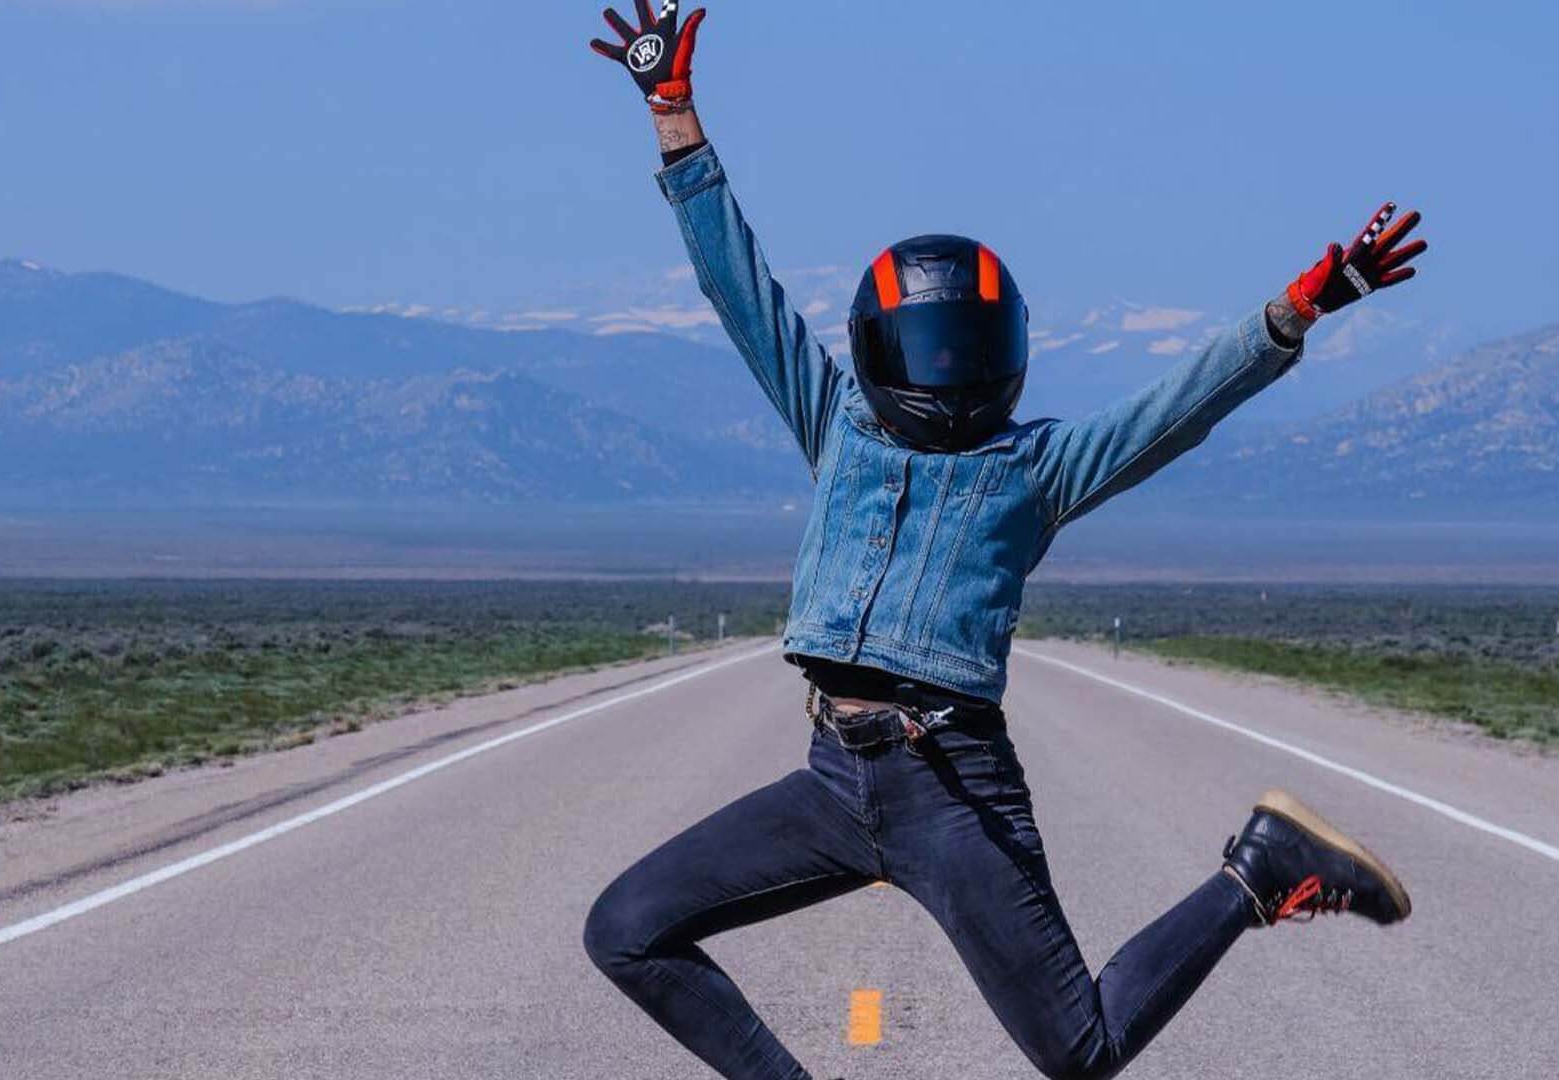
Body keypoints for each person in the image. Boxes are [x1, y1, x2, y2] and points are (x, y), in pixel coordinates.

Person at [582, 6, 1426, 1079]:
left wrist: (1298, 310)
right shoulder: (837, 421)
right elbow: (738, 288)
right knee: (625, 927)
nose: (942, 369)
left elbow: (1174, 407)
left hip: (950, 787)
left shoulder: (1034, 468)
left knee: (1080, 1050)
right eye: (923, 346)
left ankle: (1257, 873)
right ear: (880, 345)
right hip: (833, 778)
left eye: (963, 347)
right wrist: (674, 112)